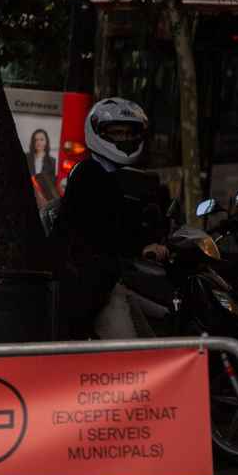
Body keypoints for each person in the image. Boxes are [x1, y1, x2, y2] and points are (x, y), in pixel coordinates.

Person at [54, 97, 171, 340]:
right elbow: (103, 228)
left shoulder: (116, 176)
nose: (124, 139)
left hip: (108, 280)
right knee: (127, 354)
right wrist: (142, 245)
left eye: (129, 133)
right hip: (89, 286)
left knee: (151, 337)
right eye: (116, 132)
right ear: (98, 133)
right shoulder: (90, 174)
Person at [26, 128, 61, 207]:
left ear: (46, 142)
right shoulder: (26, 157)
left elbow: (52, 183)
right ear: (33, 142)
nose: (38, 142)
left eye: (41, 139)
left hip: (44, 199)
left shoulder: (52, 161)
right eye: (36, 140)